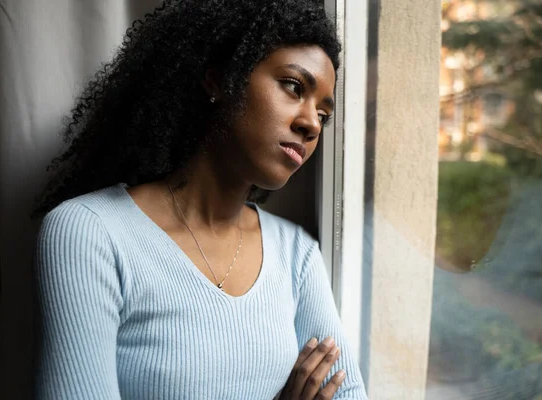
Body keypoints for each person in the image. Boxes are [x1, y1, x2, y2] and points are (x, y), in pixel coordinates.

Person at [33, 0, 368, 399]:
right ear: (220, 80)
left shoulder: (296, 254)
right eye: (294, 87)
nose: (312, 123)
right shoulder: (89, 232)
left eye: (324, 115)